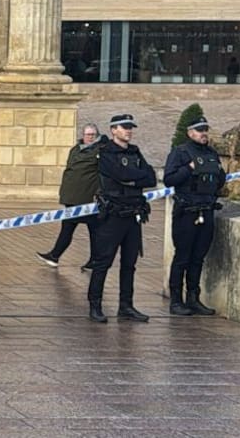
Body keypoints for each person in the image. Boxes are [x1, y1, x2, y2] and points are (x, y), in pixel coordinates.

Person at [86, 113, 157, 324]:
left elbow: (151, 177)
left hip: (133, 214)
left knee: (129, 264)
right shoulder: (106, 152)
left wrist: (131, 179)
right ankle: (95, 305)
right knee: (103, 262)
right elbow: (120, 175)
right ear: (113, 130)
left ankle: (126, 306)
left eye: (130, 127)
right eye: (124, 127)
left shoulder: (135, 152)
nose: (129, 130)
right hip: (113, 215)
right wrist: (135, 178)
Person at [164, 114, 225, 316]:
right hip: (186, 212)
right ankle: (175, 300)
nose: (204, 133)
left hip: (206, 209)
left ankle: (193, 298)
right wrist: (189, 169)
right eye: (200, 130)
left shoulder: (212, 153)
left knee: (198, 257)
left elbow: (220, 179)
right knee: (182, 257)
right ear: (190, 133)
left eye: (205, 129)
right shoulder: (180, 152)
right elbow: (169, 179)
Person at [36, 123, 103, 269]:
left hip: (88, 198)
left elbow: (103, 174)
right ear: (83, 135)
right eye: (87, 134)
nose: (90, 137)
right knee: (69, 227)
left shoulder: (101, 150)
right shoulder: (75, 149)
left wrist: (98, 194)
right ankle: (55, 255)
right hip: (72, 197)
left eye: (92, 134)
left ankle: (94, 260)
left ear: (97, 135)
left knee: (94, 229)